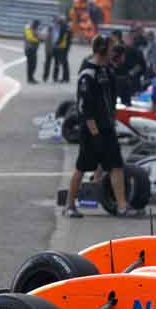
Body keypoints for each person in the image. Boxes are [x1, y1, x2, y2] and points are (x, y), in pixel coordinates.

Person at [63, 35, 130, 218]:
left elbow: (112, 97)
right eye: (110, 49)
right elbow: (85, 108)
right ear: (101, 50)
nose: (113, 52)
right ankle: (70, 205)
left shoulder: (107, 71)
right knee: (82, 167)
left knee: (116, 165)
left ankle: (122, 206)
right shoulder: (87, 74)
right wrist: (95, 133)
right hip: (92, 131)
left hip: (107, 128)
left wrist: (112, 119)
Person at [52, 17, 71, 83]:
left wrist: (56, 44)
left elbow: (61, 38)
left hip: (62, 47)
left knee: (63, 63)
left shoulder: (63, 28)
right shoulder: (67, 27)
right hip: (66, 47)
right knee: (65, 63)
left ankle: (65, 78)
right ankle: (66, 78)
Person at [23, 19, 41, 84]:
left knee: (33, 64)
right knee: (31, 64)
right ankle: (30, 78)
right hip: (29, 49)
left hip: (33, 49)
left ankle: (31, 77)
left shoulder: (34, 29)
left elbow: (39, 35)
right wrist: (38, 40)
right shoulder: (28, 29)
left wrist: (38, 37)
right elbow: (30, 38)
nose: (37, 27)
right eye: (37, 25)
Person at [41, 15, 55, 83]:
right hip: (50, 49)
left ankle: (47, 77)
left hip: (52, 49)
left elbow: (42, 37)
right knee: (48, 63)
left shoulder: (51, 29)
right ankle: (46, 77)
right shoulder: (49, 29)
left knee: (49, 63)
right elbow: (42, 37)